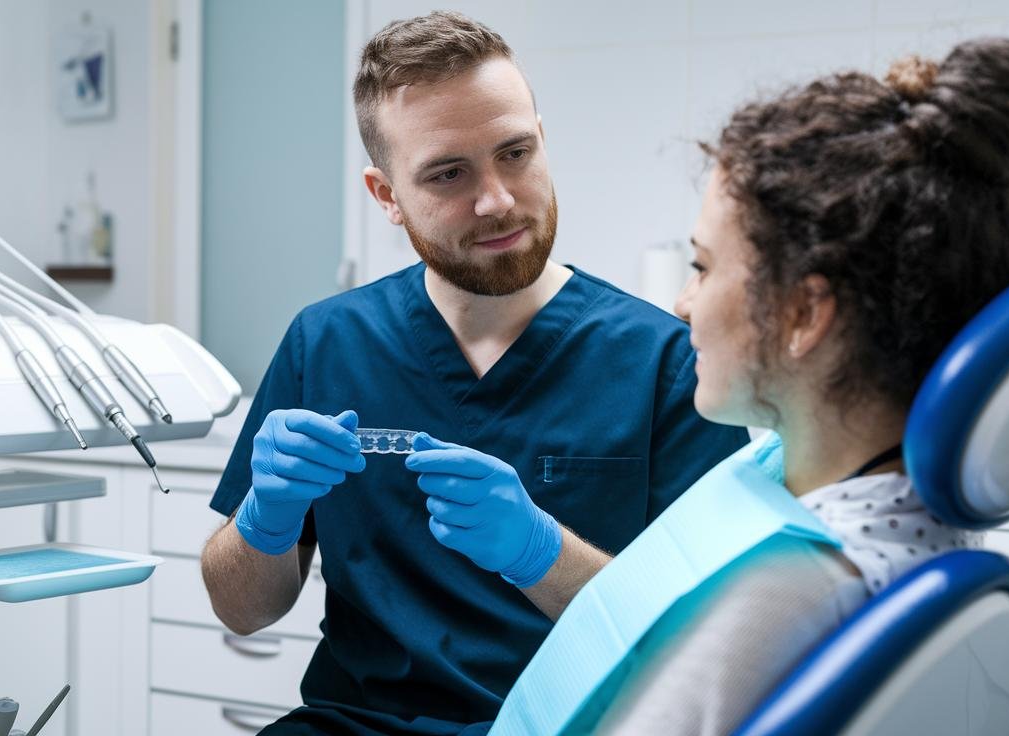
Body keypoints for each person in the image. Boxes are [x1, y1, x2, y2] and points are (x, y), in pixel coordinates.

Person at [198, 11, 749, 736]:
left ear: (543, 142)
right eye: (448, 173)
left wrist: (540, 552)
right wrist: (265, 521)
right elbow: (243, 609)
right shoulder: (326, 342)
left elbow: (703, 642)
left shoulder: (664, 362)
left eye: (515, 153)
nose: (496, 199)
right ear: (386, 196)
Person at [502, 37, 1009, 734]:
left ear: (804, 313)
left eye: (703, 267)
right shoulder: (881, 503)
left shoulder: (792, 593)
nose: (682, 303)